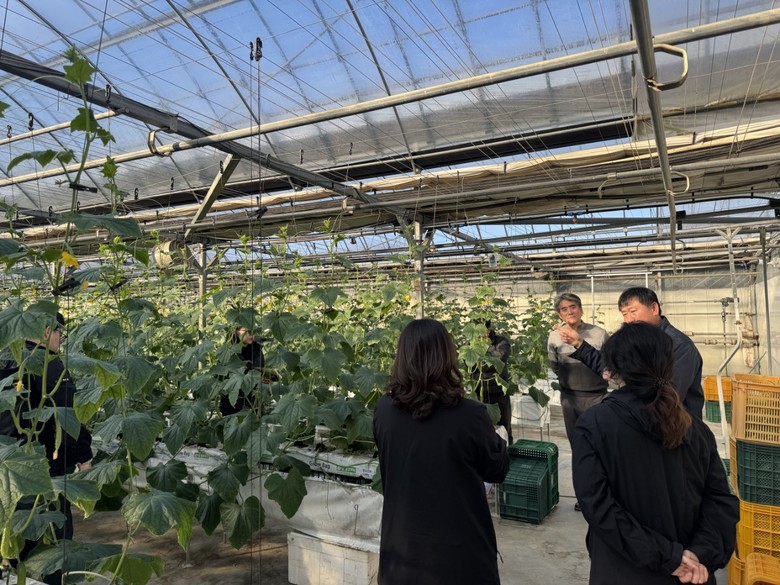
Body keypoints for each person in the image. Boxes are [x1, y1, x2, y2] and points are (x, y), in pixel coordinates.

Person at [571, 322, 738, 585]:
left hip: (624, 572)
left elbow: (598, 507)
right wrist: (698, 553)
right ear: (669, 366)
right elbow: (720, 500)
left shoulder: (594, 425)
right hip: (693, 575)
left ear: (613, 371)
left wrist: (671, 558)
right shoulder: (695, 428)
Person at [373, 319, 509, 585]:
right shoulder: (469, 415)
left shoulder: (385, 410)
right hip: (458, 557)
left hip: (401, 554)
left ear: (402, 358)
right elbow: (496, 469)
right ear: (447, 356)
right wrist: (499, 441)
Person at [0, 311, 93, 585]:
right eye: (59, 333)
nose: (60, 340)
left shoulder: (4, 359)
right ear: (45, 331)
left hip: (6, 466)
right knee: (52, 545)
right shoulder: (50, 365)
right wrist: (83, 456)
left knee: (13, 539)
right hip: (43, 473)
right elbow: (69, 416)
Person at [556, 287, 704, 418]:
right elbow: (611, 369)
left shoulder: (678, 346)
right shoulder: (636, 341)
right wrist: (579, 344)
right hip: (643, 420)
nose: (628, 320)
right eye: (624, 314)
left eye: (633, 311)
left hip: (675, 427)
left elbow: (668, 397)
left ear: (654, 308)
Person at [547, 293, 608, 511]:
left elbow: (607, 365)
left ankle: (604, 495)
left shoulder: (599, 334)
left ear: (581, 309)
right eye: (564, 309)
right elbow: (554, 365)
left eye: (573, 307)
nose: (569, 311)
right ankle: (584, 497)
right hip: (570, 399)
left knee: (601, 447)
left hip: (597, 397)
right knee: (578, 448)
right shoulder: (555, 337)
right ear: (559, 314)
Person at [474, 320, 513, 445]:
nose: (479, 333)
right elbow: (469, 363)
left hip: (498, 392)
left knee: (503, 427)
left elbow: (499, 360)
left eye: (482, 330)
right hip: (478, 393)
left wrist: (483, 350)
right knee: (480, 429)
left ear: (488, 329)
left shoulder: (501, 342)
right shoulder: (471, 343)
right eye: (477, 330)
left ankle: (506, 451)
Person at [219, 325, 265, 416]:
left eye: (252, 331)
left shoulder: (257, 349)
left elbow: (260, 369)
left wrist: (264, 377)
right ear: (235, 332)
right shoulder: (228, 351)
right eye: (245, 331)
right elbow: (222, 376)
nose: (250, 334)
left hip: (252, 400)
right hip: (233, 403)